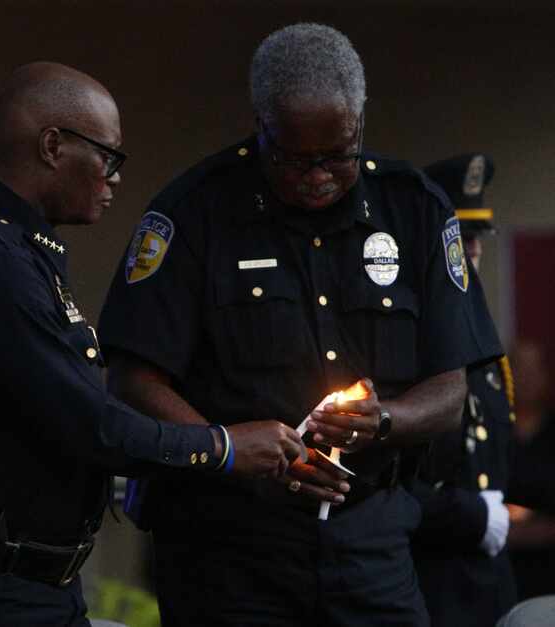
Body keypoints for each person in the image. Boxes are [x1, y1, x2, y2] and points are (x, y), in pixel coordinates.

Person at [97, 23, 502, 626]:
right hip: (228, 547)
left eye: (337, 155)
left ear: (360, 124)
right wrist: (231, 450)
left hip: (370, 541)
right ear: (260, 123)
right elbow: (133, 378)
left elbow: (450, 390)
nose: (317, 176)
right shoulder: (194, 211)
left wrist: (384, 421)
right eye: (292, 159)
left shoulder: (414, 207)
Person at [0, 61, 304, 627]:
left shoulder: (25, 250)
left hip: (39, 584)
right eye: (108, 156)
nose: (115, 177)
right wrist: (222, 447)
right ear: (52, 146)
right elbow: (94, 426)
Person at [410, 153, 517, 626]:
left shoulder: (486, 347)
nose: (473, 249)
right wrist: (472, 515)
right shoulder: (413, 338)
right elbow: (386, 481)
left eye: (478, 238)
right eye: (461, 237)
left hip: (489, 583)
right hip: (430, 584)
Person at [507, 340, 555, 600]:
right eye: (517, 369)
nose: (525, 379)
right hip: (499, 571)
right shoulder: (488, 435)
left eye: (533, 370)